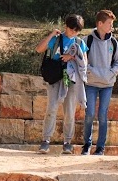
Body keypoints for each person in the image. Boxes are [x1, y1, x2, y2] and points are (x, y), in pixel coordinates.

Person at [34, 14, 88, 155]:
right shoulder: (57, 39)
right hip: (55, 77)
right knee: (51, 108)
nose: (73, 32)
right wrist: (52, 34)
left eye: (77, 30)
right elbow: (39, 49)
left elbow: (84, 62)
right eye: (71, 29)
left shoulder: (79, 42)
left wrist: (71, 57)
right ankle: (46, 140)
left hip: (71, 79)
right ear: (66, 26)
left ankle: (67, 143)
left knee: (69, 111)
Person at [81, 10, 118, 156]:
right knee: (90, 113)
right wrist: (92, 72)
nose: (111, 26)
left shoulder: (113, 42)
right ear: (100, 24)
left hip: (107, 85)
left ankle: (100, 148)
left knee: (103, 115)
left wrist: (110, 73)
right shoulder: (87, 40)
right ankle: (87, 145)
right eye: (109, 23)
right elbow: (82, 61)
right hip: (91, 84)